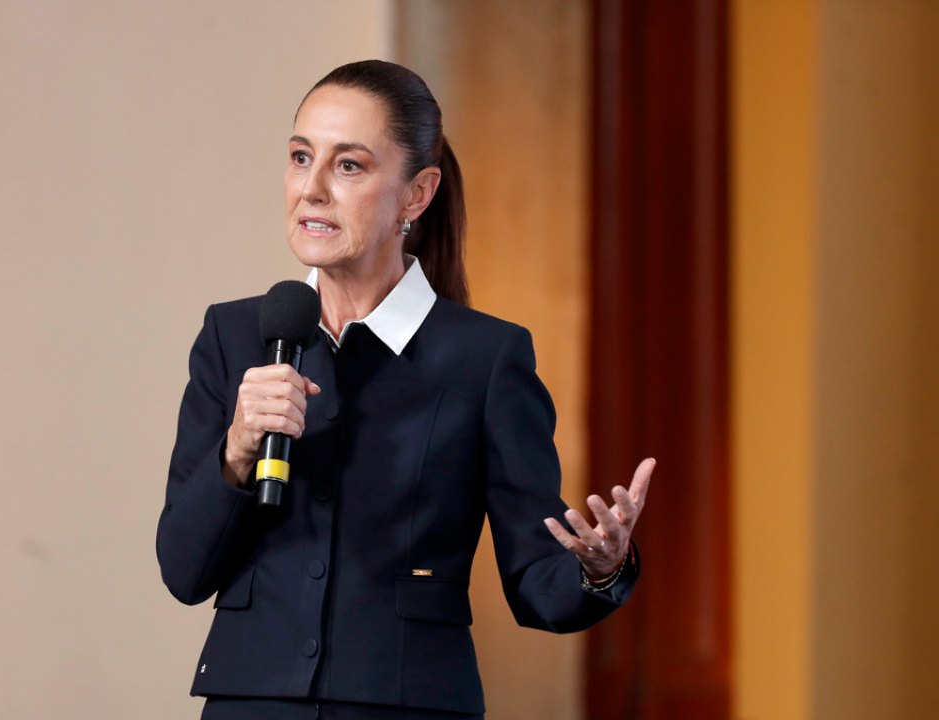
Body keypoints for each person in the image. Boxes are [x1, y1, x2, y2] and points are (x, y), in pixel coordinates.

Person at [157, 60, 655, 720]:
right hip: (252, 701)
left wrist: (602, 567)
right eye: (301, 157)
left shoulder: (485, 358)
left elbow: (538, 583)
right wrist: (236, 453)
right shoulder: (235, 335)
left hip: (406, 704)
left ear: (417, 195)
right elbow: (184, 571)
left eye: (349, 166)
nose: (311, 189)